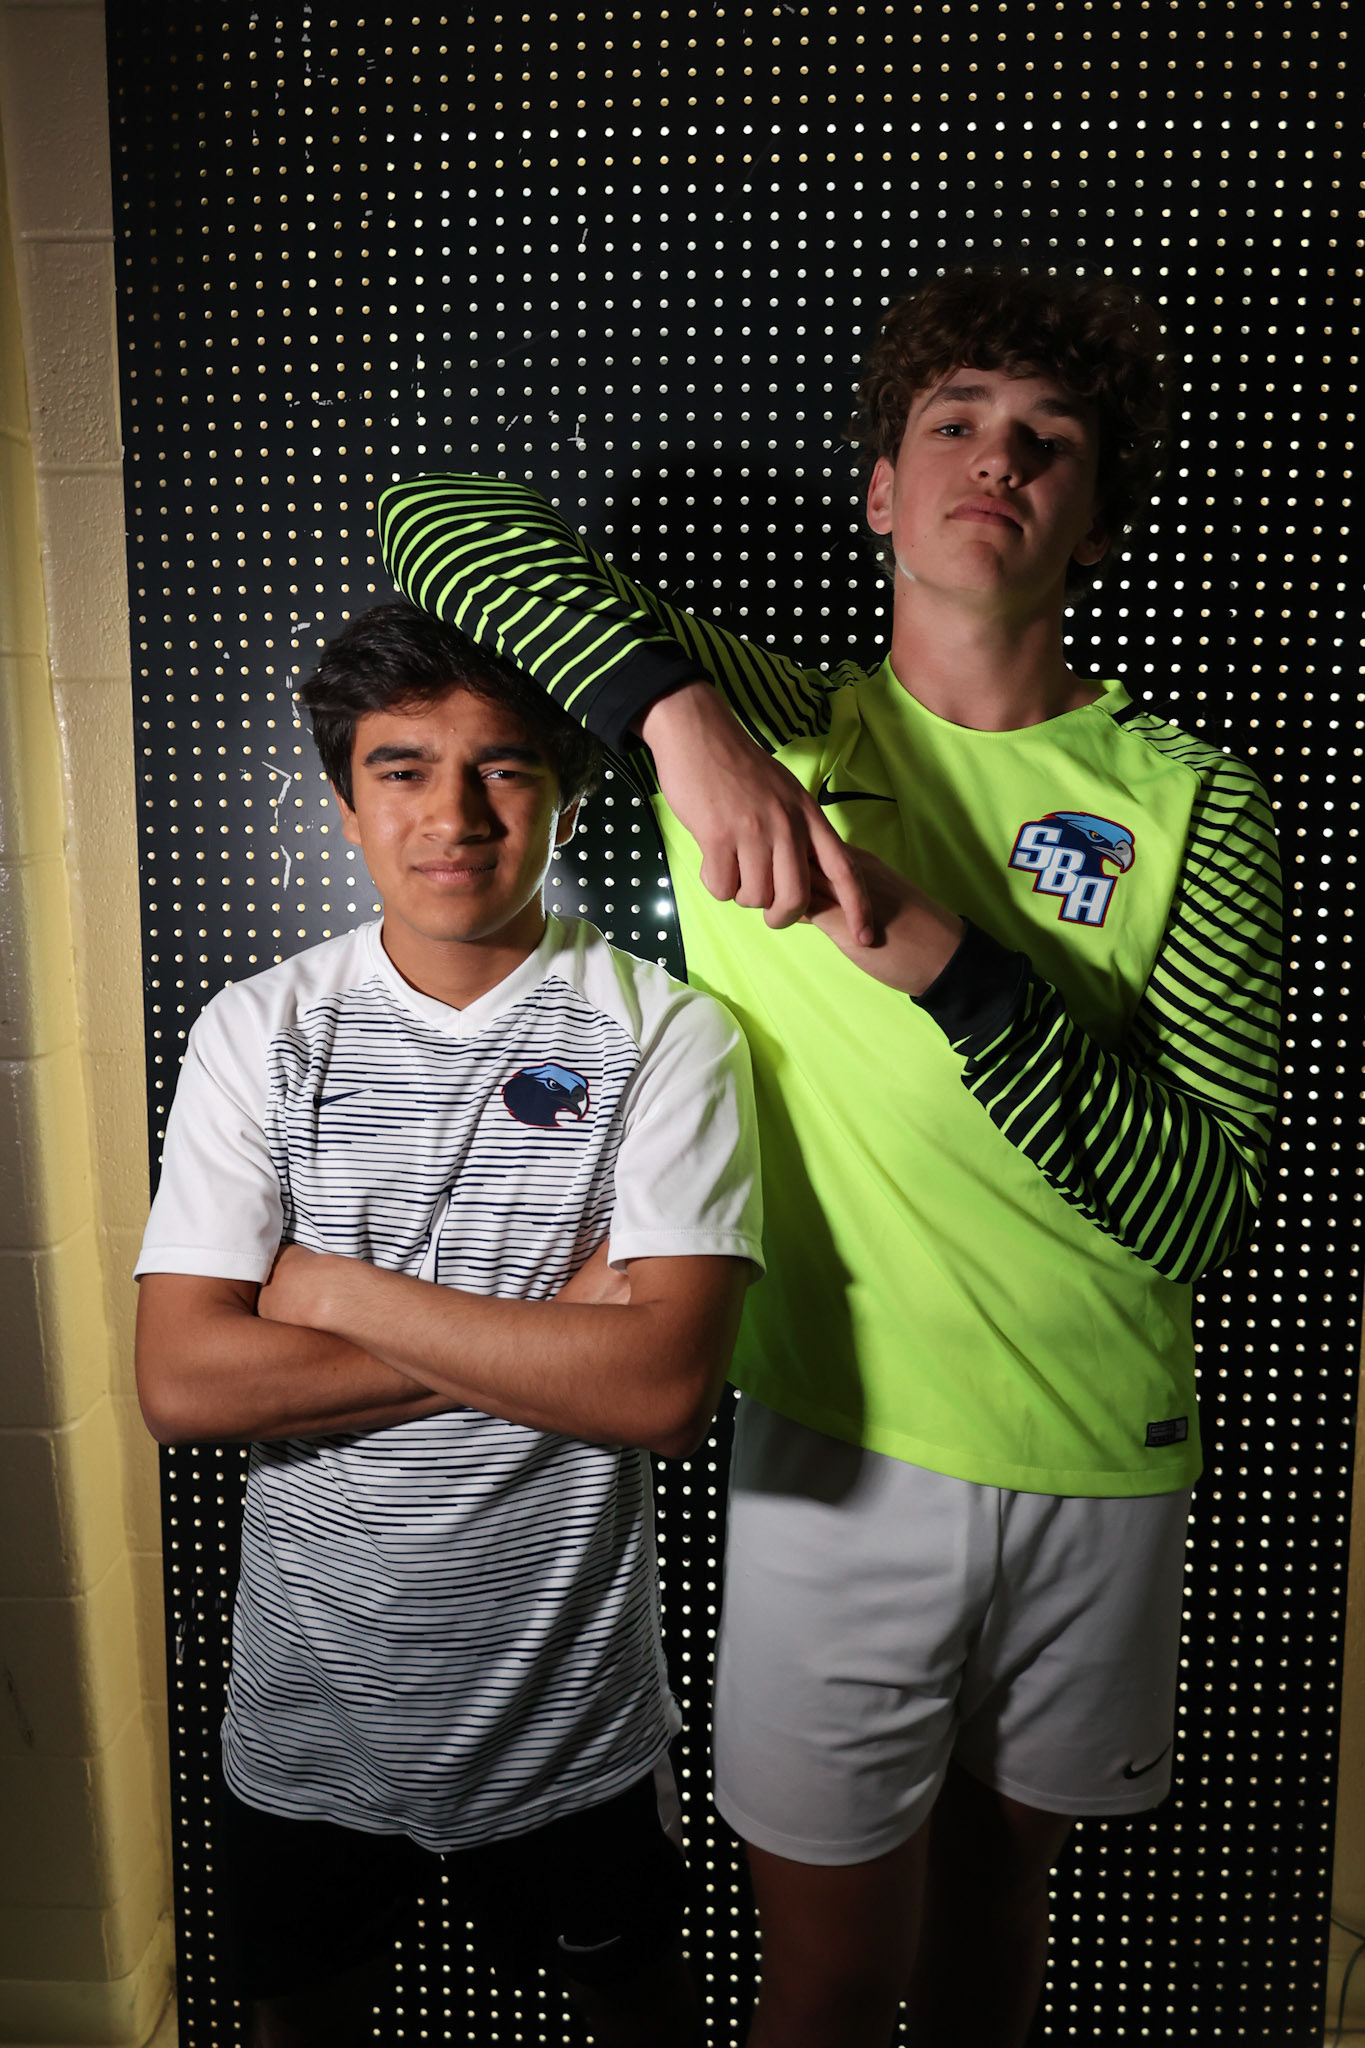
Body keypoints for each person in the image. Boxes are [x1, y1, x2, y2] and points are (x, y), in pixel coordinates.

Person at [376, 264, 1283, 2048]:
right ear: (881, 490)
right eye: (951, 424)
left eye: (1048, 439)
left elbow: (1197, 1204)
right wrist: (674, 716)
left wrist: (954, 972)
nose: (994, 458)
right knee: (826, 1979)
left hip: (1103, 1450)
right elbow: (438, 518)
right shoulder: (782, 722)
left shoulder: (1198, 801)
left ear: (1088, 514)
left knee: (998, 1919)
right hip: (839, 1454)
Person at [134, 605, 763, 2048]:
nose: (455, 816)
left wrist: (326, 1289)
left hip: (573, 1728)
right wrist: (554, 1336)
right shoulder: (259, 1029)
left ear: (564, 791)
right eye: (404, 769)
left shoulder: (668, 1034)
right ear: (347, 802)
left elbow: (662, 1390)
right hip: (307, 1722)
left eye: (504, 770)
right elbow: (182, 1382)